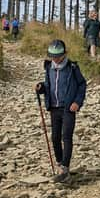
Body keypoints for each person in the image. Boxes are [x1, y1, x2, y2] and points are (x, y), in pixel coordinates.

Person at [35, 40, 86, 183]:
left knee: (66, 136)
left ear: (65, 54)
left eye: (58, 56)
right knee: (55, 137)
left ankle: (65, 167)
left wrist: (77, 102)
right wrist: (41, 88)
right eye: (52, 56)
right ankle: (59, 162)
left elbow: (82, 85)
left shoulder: (73, 67)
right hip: (54, 108)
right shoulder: (49, 67)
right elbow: (48, 85)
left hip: (69, 108)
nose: (55, 59)